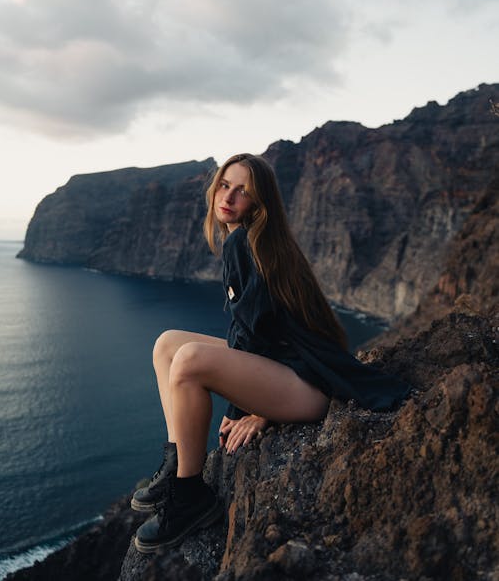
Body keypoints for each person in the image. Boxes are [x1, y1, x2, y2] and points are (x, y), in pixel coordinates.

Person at [132, 153, 411, 553]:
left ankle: (189, 495)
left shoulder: (249, 244)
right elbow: (262, 333)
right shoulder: (251, 241)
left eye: (243, 191)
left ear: (259, 203)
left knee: (190, 360)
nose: (229, 197)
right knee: (167, 345)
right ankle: (176, 462)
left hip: (307, 384)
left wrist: (251, 411)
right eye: (225, 185)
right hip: (288, 367)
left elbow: (257, 336)